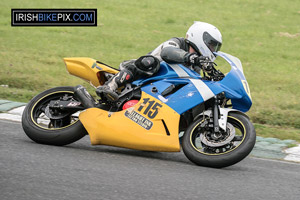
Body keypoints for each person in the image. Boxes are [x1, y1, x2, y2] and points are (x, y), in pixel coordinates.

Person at [96, 21, 222, 102]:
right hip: (142, 72)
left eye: (214, 47)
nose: (212, 49)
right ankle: (110, 85)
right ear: (200, 38)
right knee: (150, 62)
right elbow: (167, 52)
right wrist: (191, 57)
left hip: (157, 90)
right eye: (211, 45)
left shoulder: (196, 65)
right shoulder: (177, 42)